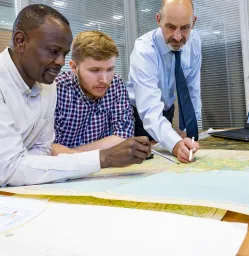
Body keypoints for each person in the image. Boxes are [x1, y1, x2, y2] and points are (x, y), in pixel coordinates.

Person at [0, 4, 151, 187]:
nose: (60, 62)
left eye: (64, 54)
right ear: (20, 41)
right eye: (54, 51)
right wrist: (103, 158)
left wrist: (36, 163)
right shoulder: (48, 84)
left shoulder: (46, 84)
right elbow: (9, 168)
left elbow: (42, 150)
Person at [126, 0, 200, 163]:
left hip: (166, 111)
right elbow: (149, 109)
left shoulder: (194, 41)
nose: (178, 36)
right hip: (138, 115)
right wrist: (174, 143)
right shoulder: (144, 50)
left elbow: (192, 91)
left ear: (193, 22)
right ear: (158, 19)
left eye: (185, 27)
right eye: (171, 27)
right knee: (144, 166)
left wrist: (189, 130)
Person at [52, 30, 134, 155]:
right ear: (74, 67)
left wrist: (73, 153)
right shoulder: (56, 90)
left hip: (102, 167)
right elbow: (49, 148)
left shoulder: (116, 84)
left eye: (110, 69)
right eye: (95, 70)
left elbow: (123, 135)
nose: (104, 80)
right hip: (63, 170)